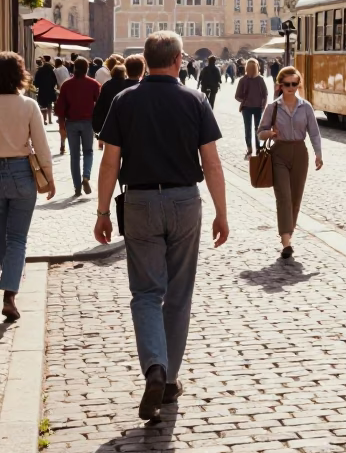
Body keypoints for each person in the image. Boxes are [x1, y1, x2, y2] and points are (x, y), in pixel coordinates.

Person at [94, 31, 229, 420]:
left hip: (139, 202)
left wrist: (103, 212)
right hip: (185, 199)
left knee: (146, 292)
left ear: (147, 60)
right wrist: (221, 211)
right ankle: (168, 380)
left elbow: (109, 163)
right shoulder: (195, 99)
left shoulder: (124, 100)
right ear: (178, 60)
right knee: (179, 294)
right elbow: (213, 163)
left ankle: (155, 367)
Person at [0, 52, 55, 322]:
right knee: (17, 238)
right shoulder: (28, 106)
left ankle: (7, 279)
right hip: (22, 172)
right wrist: (49, 176)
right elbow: (42, 147)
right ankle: (9, 294)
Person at [258, 65, 323, 261]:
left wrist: (318, 154)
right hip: (279, 152)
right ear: (280, 85)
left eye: (295, 84)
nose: (291, 87)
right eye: (287, 84)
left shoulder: (306, 107)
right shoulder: (273, 107)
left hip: (300, 153)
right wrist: (270, 133)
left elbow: (314, 132)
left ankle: (288, 232)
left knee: (295, 198)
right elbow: (260, 133)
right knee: (284, 197)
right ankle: (286, 242)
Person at [55, 57, 101, 197]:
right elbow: (99, 105)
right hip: (88, 122)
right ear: (87, 68)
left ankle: (77, 187)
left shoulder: (66, 85)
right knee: (88, 152)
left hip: (71, 122)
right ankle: (86, 176)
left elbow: (60, 107)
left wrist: (62, 126)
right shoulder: (94, 84)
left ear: (74, 68)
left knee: (74, 156)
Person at [235, 57, 268, 159]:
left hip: (247, 108)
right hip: (257, 108)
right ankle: (258, 148)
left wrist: (244, 100)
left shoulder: (243, 80)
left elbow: (237, 96)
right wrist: (263, 106)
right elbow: (265, 94)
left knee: (248, 129)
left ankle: (250, 149)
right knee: (257, 129)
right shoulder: (260, 79)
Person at [92, 61, 128, 137]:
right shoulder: (126, 85)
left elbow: (101, 102)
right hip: (123, 117)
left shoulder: (107, 85)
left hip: (108, 117)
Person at [34, 55, 57, 125]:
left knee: (43, 105)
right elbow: (55, 80)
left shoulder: (40, 70)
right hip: (50, 89)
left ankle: (44, 119)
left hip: (42, 89)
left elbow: (36, 81)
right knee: (49, 104)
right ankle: (50, 119)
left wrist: (37, 85)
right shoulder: (52, 69)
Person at [53, 59, 69, 155]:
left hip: (60, 94)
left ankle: (62, 145)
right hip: (70, 113)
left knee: (62, 126)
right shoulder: (65, 69)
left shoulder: (55, 71)